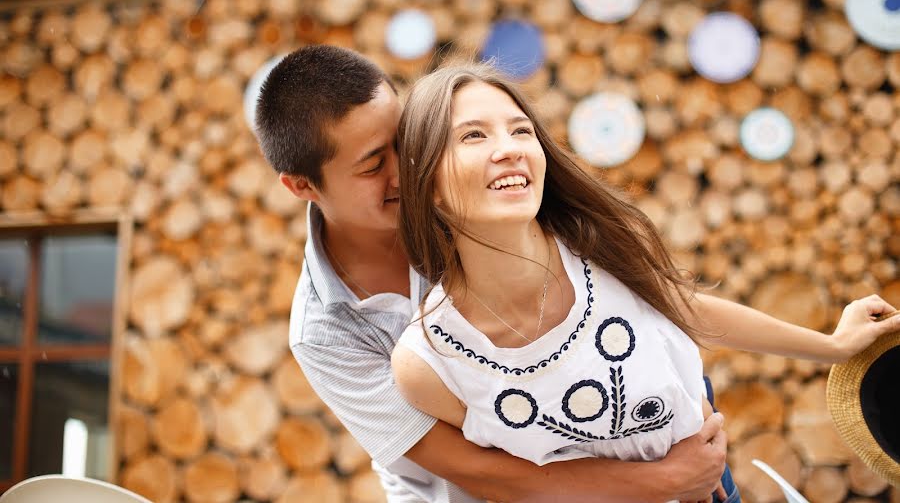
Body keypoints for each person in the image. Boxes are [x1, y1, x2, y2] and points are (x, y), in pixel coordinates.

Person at [391, 63, 900, 503]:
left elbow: (688, 310)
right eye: (473, 136)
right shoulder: (429, 362)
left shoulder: (596, 248)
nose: (510, 149)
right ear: (426, 183)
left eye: (521, 131)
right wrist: (658, 481)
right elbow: (509, 483)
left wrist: (831, 348)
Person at [255, 44, 731, 503]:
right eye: (374, 165)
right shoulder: (324, 333)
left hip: (631, 445)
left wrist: (687, 418)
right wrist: (664, 480)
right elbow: (481, 473)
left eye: (405, 142)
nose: (407, 171)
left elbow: (654, 306)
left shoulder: (469, 204)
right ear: (301, 186)